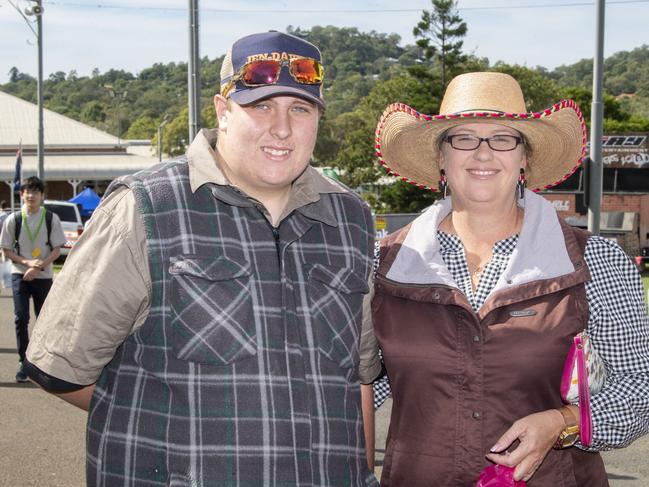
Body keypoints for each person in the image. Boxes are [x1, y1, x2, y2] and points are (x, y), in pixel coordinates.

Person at [25, 31, 378, 486]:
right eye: (261, 105)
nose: (283, 128)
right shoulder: (145, 208)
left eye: (300, 109)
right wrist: (181, 432)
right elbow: (59, 369)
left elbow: (357, 379)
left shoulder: (351, 219)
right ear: (222, 109)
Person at [359, 72, 649, 486]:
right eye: (463, 138)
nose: (482, 153)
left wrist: (563, 422)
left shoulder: (595, 261)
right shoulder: (383, 264)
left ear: (523, 157)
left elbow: (640, 389)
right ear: (441, 157)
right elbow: (365, 389)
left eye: (502, 138)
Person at [0, 177, 65, 382]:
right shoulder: (14, 219)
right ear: (22, 195)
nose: (31, 196)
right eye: (28, 192)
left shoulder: (51, 219)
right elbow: (6, 249)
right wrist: (28, 264)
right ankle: (23, 362)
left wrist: (39, 266)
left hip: (43, 276)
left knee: (44, 320)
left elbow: (57, 250)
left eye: (36, 192)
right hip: (20, 273)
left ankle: (42, 362)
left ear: (42, 196)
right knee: (21, 318)